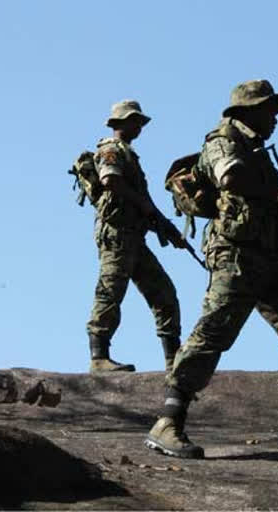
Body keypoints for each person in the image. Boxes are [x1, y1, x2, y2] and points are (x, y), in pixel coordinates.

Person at [145, 80, 278, 459]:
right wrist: (276, 198)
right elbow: (230, 176)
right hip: (236, 256)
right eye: (269, 110)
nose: (275, 119)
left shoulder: (258, 151)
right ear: (247, 110)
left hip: (267, 259)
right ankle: (168, 421)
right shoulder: (222, 141)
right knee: (214, 331)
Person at [86, 100, 182, 372]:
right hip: (116, 235)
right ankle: (99, 357)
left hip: (134, 238)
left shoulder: (130, 155)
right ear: (120, 123)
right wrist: (144, 206)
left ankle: (174, 362)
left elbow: (143, 203)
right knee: (110, 292)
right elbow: (110, 181)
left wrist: (165, 226)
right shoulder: (110, 149)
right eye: (134, 120)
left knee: (164, 293)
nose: (139, 126)